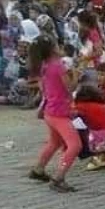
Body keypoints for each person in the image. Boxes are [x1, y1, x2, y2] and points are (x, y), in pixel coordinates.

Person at [27, 37, 82, 193]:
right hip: (59, 112)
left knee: (54, 142)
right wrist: (76, 75)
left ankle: (39, 169)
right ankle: (59, 177)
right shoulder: (58, 66)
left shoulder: (43, 66)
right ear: (52, 49)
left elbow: (44, 88)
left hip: (49, 111)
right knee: (75, 145)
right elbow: (70, 88)